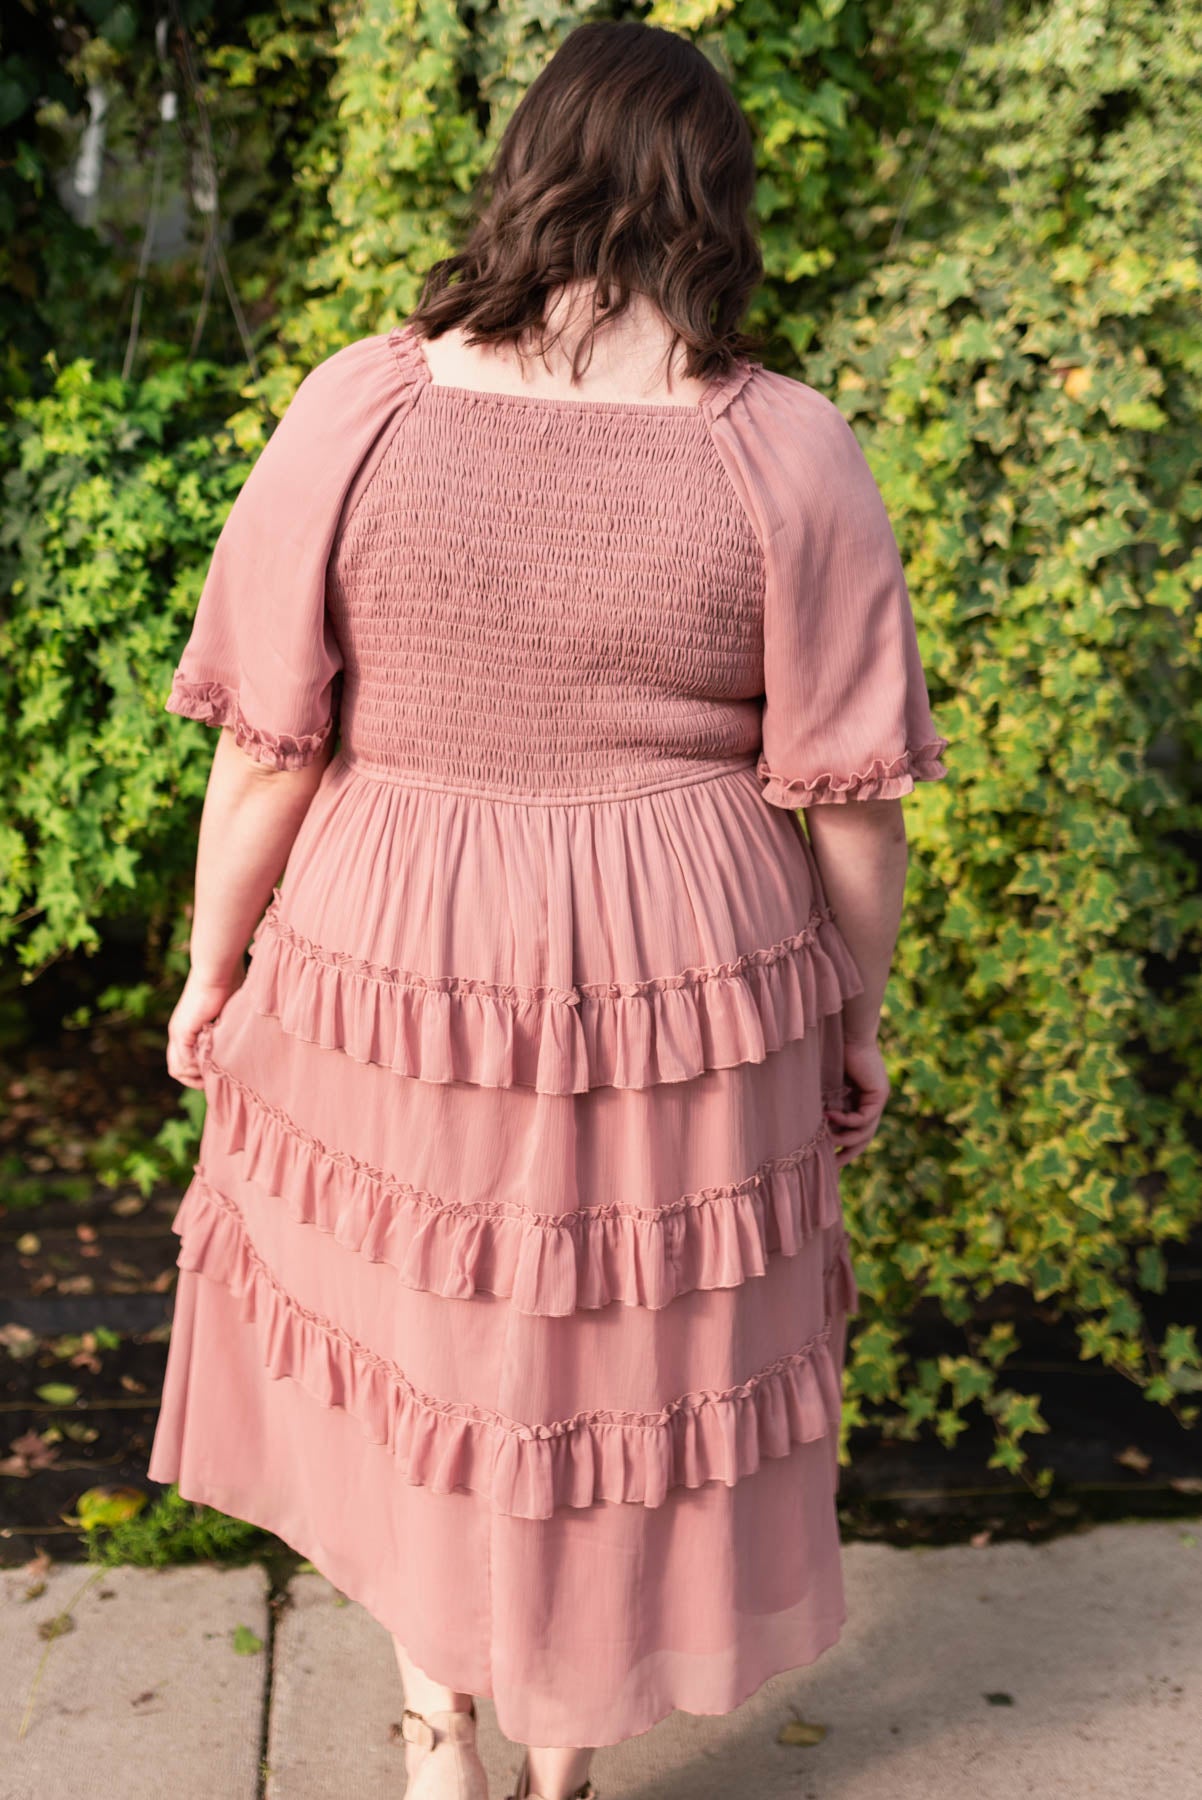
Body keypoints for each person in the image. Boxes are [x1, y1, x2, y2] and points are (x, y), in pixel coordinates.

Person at [147, 17, 949, 1800]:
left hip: (396, 956)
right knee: (615, 1369)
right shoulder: (785, 450)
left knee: (432, 1346)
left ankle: (440, 1739)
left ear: (532, 174)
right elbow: (854, 801)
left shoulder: (361, 405)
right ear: (714, 207)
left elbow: (268, 750)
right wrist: (852, 1009)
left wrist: (213, 969)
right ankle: (563, 1766)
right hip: (688, 969)